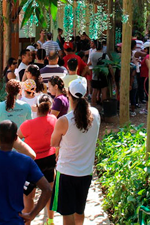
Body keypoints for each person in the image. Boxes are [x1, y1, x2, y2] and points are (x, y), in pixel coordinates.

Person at [50, 78, 101, 225]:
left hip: (66, 172)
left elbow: (53, 143)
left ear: (69, 96)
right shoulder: (96, 114)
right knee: (80, 211)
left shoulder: (64, 121)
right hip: (85, 172)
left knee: (67, 214)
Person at [18, 94, 58, 224]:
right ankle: (50, 220)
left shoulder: (27, 124)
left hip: (32, 162)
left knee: (29, 194)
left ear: (36, 106)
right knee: (49, 190)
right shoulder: (54, 119)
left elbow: (17, 136)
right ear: (49, 107)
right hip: (50, 159)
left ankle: (27, 221)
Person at [87, 40, 108, 104]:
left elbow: (89, 63)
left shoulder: (92, 55)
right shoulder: (105, 56)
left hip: (94, 75)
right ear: (101, 47)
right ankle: (104, 108)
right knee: (104, 92)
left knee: (94, 91)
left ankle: (93, 106)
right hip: (103, 76)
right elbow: (109, 65)